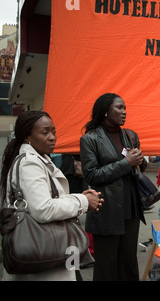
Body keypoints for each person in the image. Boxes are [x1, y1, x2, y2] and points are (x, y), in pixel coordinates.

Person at [0, 111, 103, 281]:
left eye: (53, 132)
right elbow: (43, 209)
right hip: (44, 257)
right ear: (27, 137)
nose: (52, 137)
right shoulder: (29, 162)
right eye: (45, 132)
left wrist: (75, 198)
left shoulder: (39, 159)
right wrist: (83, 201)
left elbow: (48, 200)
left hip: (50, 253)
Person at [80, 93, 146, 281]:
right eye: (119, 107)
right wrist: (126, 163)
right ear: (106, 112)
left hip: (131, 208)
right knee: (106, 265)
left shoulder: (130, 135)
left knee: (129, 262)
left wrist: (140, 161)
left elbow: (138, 168)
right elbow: (91, 175)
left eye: (125, 107)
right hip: (106, 209)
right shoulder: (90, 139)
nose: (124, 112)